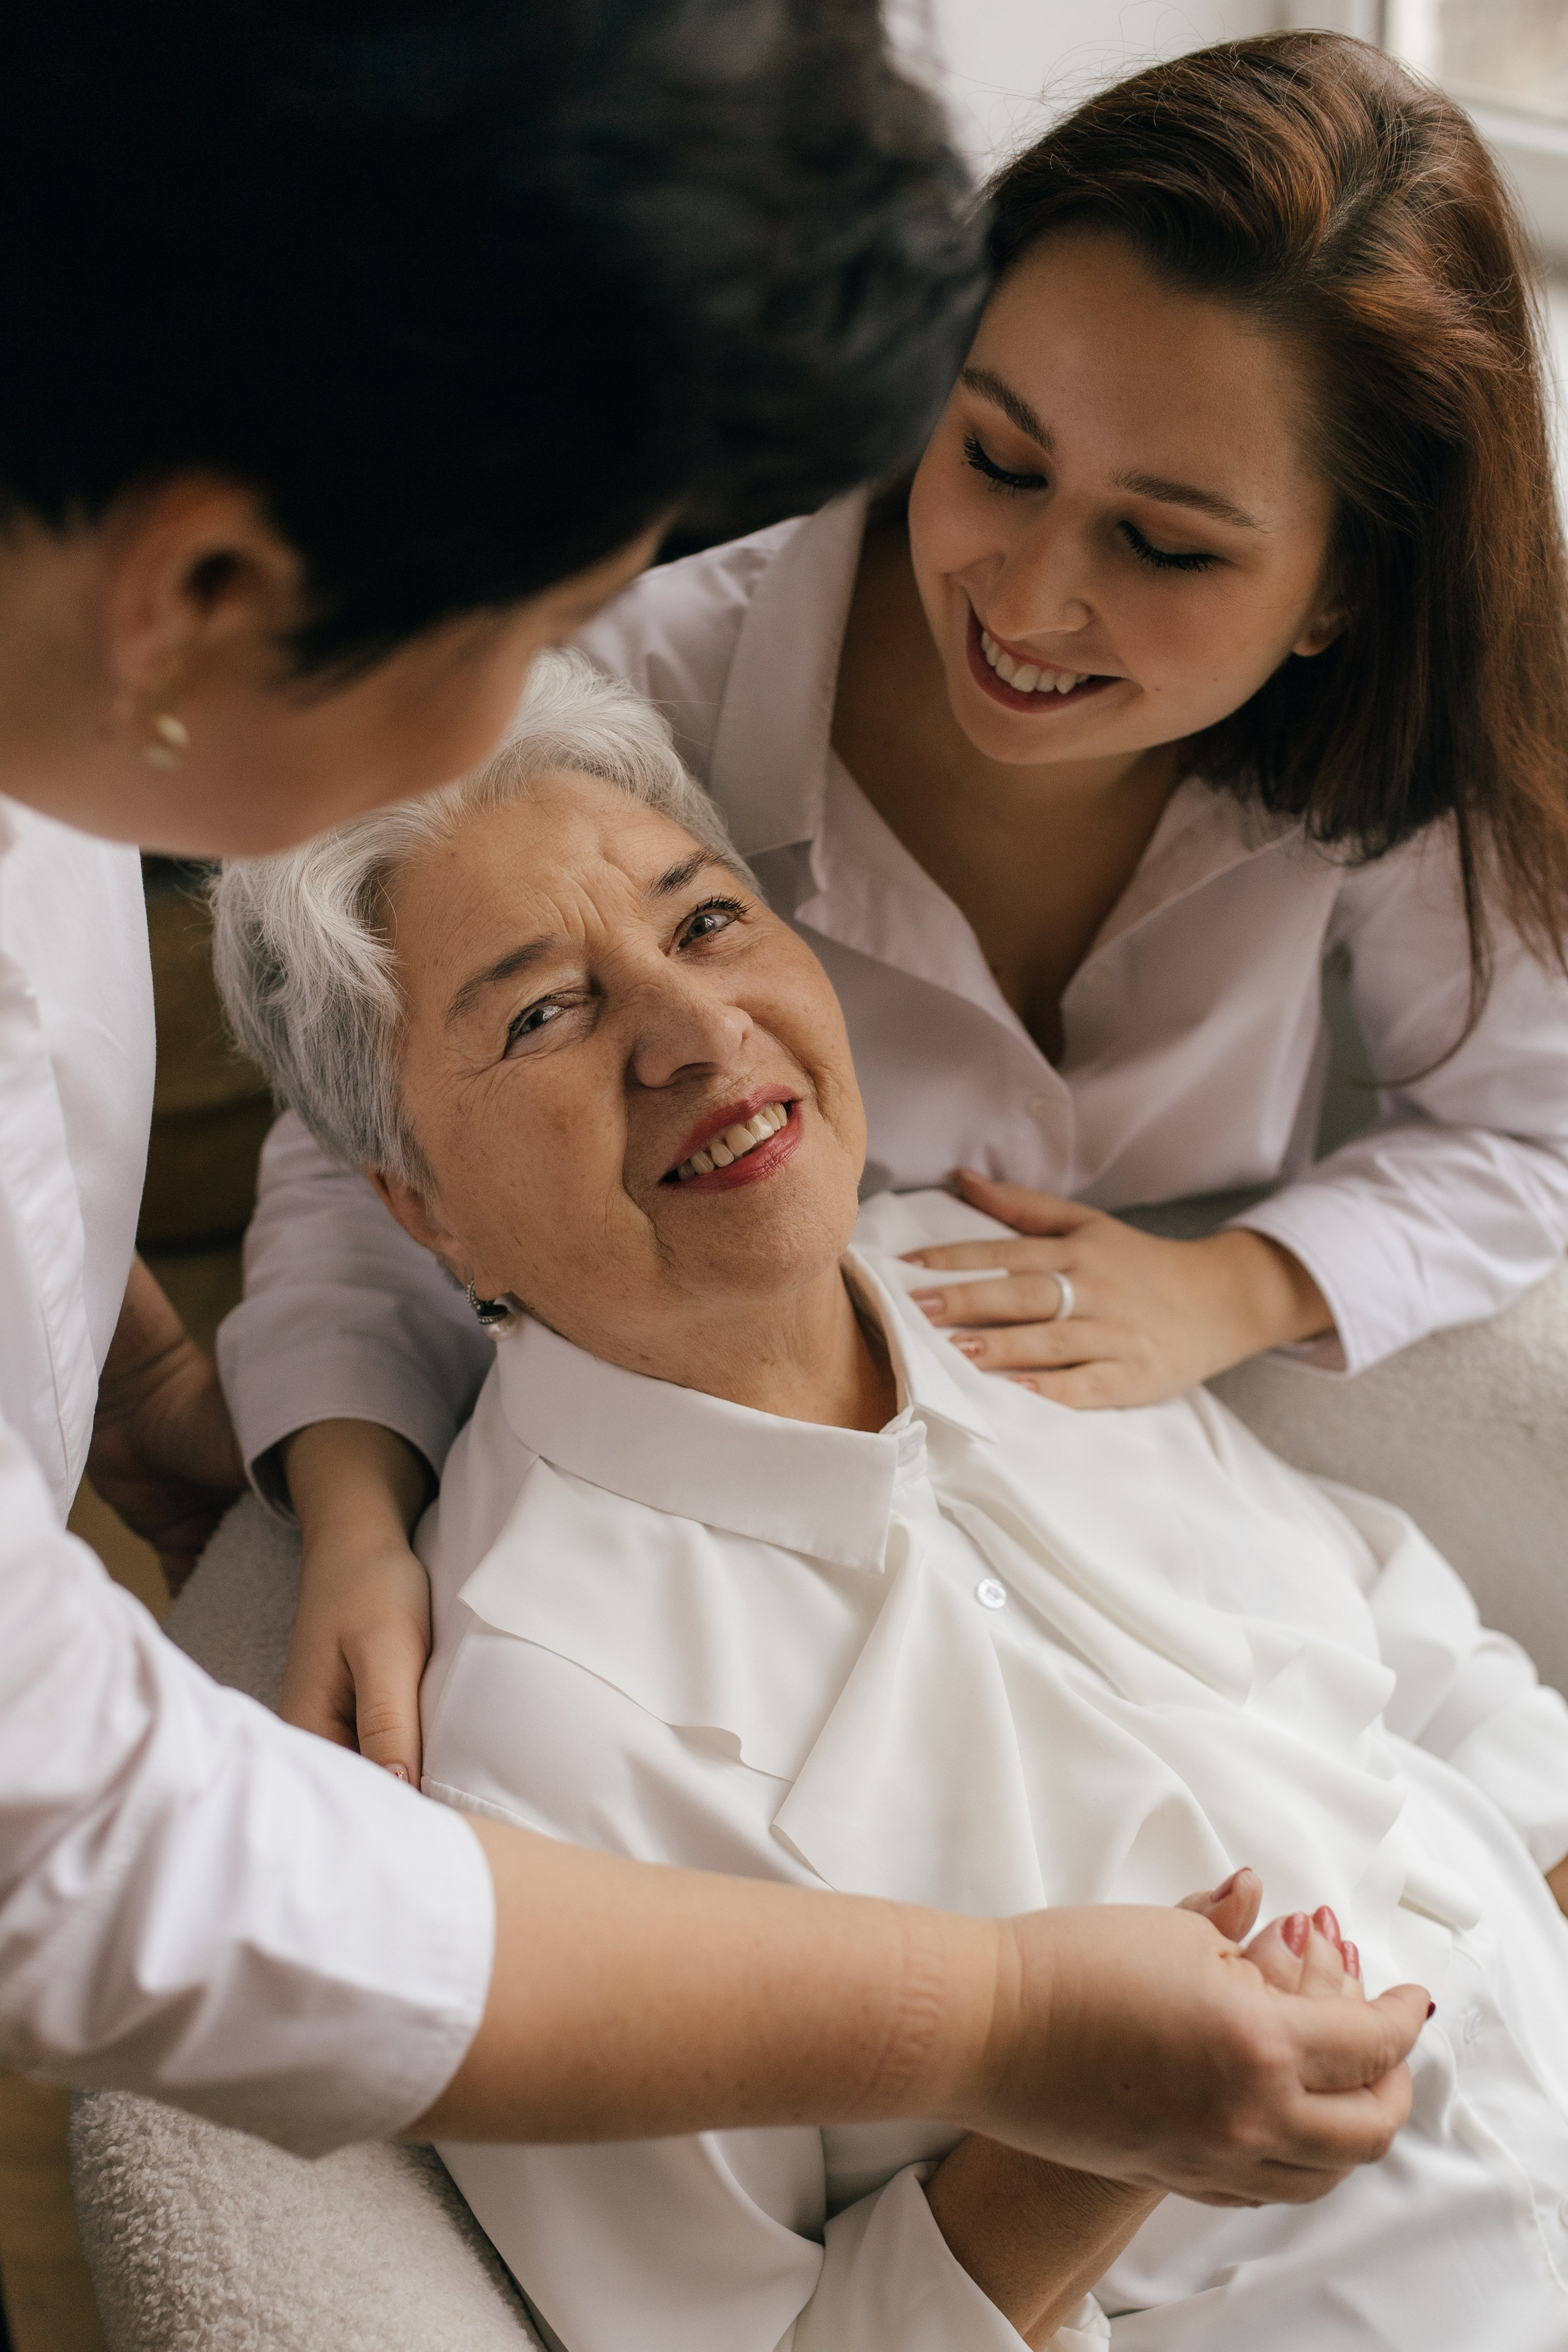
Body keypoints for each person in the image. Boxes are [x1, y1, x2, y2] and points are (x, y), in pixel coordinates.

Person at [0, 0, 1420, 2186]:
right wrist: (1010, 2027)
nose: (542, 728)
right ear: (202, 597)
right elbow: (89, 1859)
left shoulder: (76, 714)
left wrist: (134, 1374)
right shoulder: (554, 1685)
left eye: (703, 908)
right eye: (545, 624)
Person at [225, 34, 1568, 1784]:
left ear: (1341, 595)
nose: (1029, 594)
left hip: (1154, 1468)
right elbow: (369, 1141)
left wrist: (1236, 1287)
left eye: (1165, 548)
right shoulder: (632, 705)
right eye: (998, 459)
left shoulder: (1400, 740)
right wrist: (348, 1511)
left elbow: (1531, 1122)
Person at [211, 653, 1568, 2349]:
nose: (697, 1037)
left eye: (703, 924)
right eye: (545, 1013)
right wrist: (1092, 2156)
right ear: (419, 1207)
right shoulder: (533, 1755)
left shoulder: (984, 1281)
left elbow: (1425, 1666)